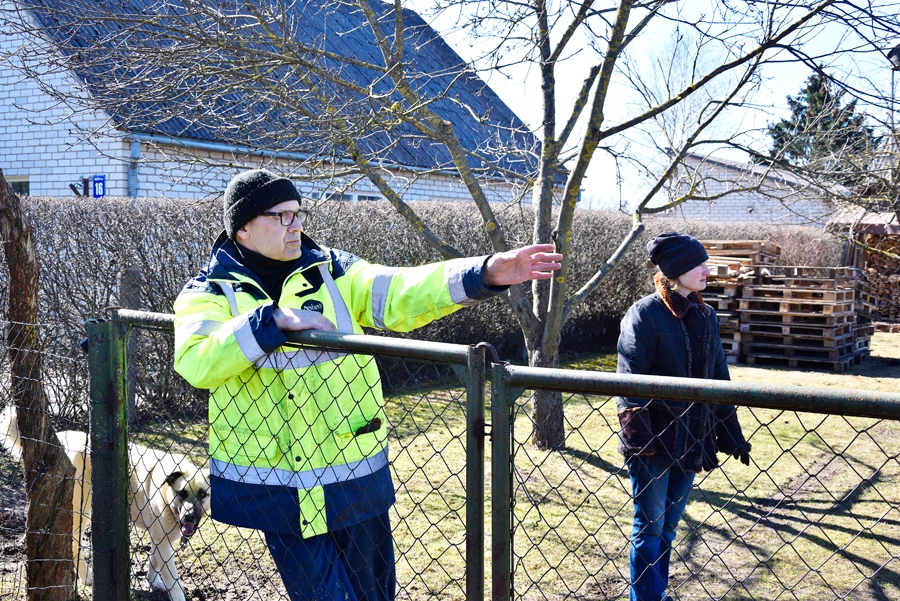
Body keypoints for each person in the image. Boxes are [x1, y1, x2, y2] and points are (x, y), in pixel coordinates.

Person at [172, 168, 562, 601]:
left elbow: (400, 291)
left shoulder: (335, 271)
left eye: (298, 213)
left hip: (351, 480)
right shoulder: (206, 292)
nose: (297, 224)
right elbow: (196, 361)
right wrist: (270, 322)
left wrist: (483, 272)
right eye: (281, 216)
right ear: (242, 227)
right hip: (278, 492)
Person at [615, 232, 751, 601]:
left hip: (692, 438)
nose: (707, 270)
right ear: (675, 271)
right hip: (653, 442)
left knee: (669, 528)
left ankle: (654, 594)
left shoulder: (706, 316)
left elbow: (719, 378)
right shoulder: (644, 314)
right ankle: (644, 598)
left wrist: (730, 431)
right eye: (698, 264)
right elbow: (630, 379)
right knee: (650, 526)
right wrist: (639, 440)